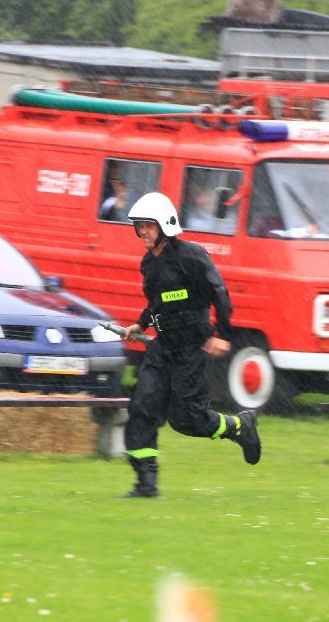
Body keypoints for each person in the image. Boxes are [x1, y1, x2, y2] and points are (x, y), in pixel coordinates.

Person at [119, 192, 261, 498]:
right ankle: (146, 484)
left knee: (188, 420)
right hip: (162, 347)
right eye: (139, 226)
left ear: (165, 226)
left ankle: (239, 426)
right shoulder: (148, 264)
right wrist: (140, 325)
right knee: (142, 407)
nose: (142, 231)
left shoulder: (192, 256)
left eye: (148, 225)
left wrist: (222, 334)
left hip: (192, 348)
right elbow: (157, 302)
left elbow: (220, 294)